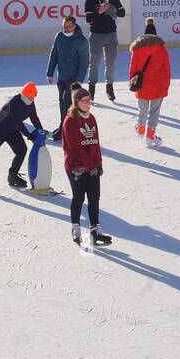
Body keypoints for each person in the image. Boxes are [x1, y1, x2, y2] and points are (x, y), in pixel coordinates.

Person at [61, 85, 111, 247]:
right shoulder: (70, 121)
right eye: (85, 100)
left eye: (89, 100)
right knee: (79, 197)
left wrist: (98, 164)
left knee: (94, 198)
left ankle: (95, 230)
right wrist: (89, 166)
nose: (88, 103)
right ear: (77, 102)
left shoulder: (91, 118)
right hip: (76, 166)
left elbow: (95, 143)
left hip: (92, 166)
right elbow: (75, 148)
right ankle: (76, 228)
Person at [128, 16, 171, 145]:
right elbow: (166, 69)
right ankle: (150, 135)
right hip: (158, 85)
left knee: (142, 110)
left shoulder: (137, 50)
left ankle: (140, 128)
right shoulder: (161, 49)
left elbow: (132, 69)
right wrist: (166, 85)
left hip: (142, 86)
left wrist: (132, 82)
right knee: (154, 111)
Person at [46, 14, 89, 136]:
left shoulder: (81, 41)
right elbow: (54, 54)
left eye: (69, 26)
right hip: (62, 76)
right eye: (64, 26)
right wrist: (50, 73)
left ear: (74, 26)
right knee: (62, 102)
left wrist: (79, 80)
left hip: (73, 78)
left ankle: (65, 129)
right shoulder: (59, 36)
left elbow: (84, 62)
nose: (66, 29)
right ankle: (64, 125)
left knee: (67, 102)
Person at [84, 0, 125, 102]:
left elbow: (122, 13)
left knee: (110, 62)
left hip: (111, 34)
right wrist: (99, 12)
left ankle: (109, 88)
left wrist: (112, 8)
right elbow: (89, 19)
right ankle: (91, 89)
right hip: (96, 35)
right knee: (94, 63)